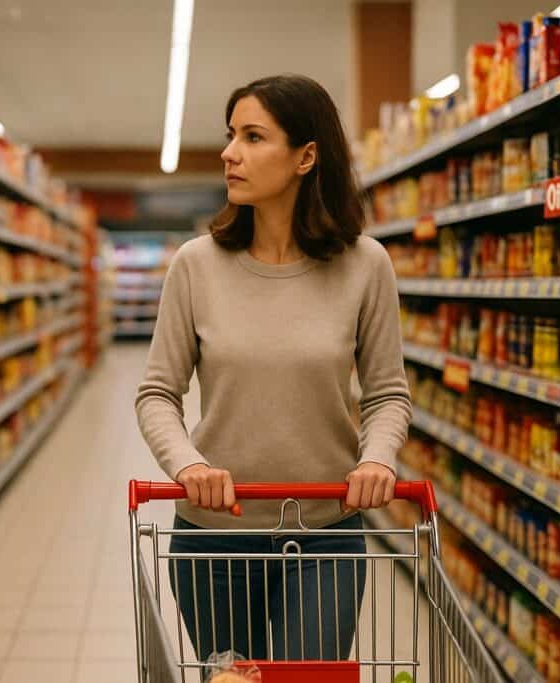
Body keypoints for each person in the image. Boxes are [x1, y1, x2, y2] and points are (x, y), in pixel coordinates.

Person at [135, 74, 412, 665]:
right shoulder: (196, 266)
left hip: (325, 535)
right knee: (233, 680)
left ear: (306, 156)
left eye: (253, 137)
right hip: (213, 538)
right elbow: (157, 393)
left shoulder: (366, 266)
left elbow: (387, 394)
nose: (229, 153)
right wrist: (188, 464)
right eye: (231, 135)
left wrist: (376, 458)